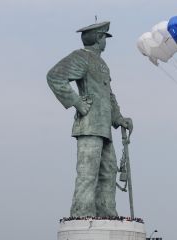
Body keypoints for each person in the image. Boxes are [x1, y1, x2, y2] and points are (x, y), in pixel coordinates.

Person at [47, 21, 132, 217]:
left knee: (109, 171)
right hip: (88, 125)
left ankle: (106, 213)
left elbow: (108, 95)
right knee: (88, 173)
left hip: (104, 128)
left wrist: (119, 118)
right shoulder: (81, 57)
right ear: (98, 38)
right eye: (104, 37)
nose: (105, 42)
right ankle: (82, 213)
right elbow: (54, 76)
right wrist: (76, 102)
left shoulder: (102, 64)